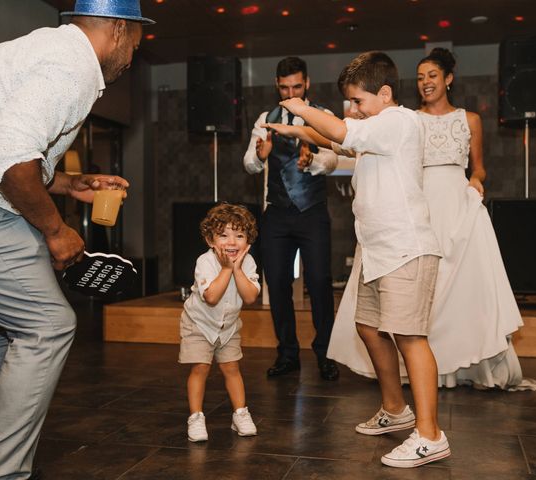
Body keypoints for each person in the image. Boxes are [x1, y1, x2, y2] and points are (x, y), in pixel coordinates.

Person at [0, 0, 153, 478]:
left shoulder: (44, 48)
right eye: (137, 43)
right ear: (120, 29)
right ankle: (3, 474)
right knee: (47, 326)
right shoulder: (70, 66)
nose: (133, 55)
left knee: (0, 329)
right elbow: (10, 159)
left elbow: (0, 150)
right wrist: (56, 230)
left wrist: (68, 185)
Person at [265, 51, 451, 468]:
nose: (353, 110)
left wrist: (300, 108)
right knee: (369, 327)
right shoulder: (376, 128)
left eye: (358, 102)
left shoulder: (398, 122)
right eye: (349, 103)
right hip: (378, 250)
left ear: (384, 94)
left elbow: (339, 130)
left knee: (410, 338)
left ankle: (430, 435)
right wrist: (292, 130)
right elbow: (332, 140)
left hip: (406, 248)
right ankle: (395, 409)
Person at [328, 48, 536, 391]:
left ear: (448, 79)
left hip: (455, 201)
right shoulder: (407, 118)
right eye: (421, 77)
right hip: (416, 201)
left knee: (459, 289)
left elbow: (479, 165)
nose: (426, 83)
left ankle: (459, 366)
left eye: (433, 76)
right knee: (417, 292)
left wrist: (476, 179)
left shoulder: (468, 120)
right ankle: (416, 371)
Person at [243, 56, 340, 381]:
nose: (290, 92)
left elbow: (332, 159)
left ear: (307, 83)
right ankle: (287, 354)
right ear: (277, 86)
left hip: (312, 212)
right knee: (278, 284)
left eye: (296, 86)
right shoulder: (265, 118)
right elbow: (249, 164)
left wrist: (312, 160)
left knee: (319, 282)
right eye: (284, 88)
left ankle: (326, 354)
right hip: (277, 214)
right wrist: (259, 156)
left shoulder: (323, 116)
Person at [180, 203, 261, 442]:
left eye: (239, 235)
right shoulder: (205, 262)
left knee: (231, 368)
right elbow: (212, 297)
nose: (231, 242)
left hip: (228, 326)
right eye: (223, 235)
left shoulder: (249, 263)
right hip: (198, 323)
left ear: (248, 241)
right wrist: (226, 269)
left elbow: (250, 297)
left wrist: (237, 269)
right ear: (210, 240)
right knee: (200, 368)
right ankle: (195, 417)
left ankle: (240, 414)